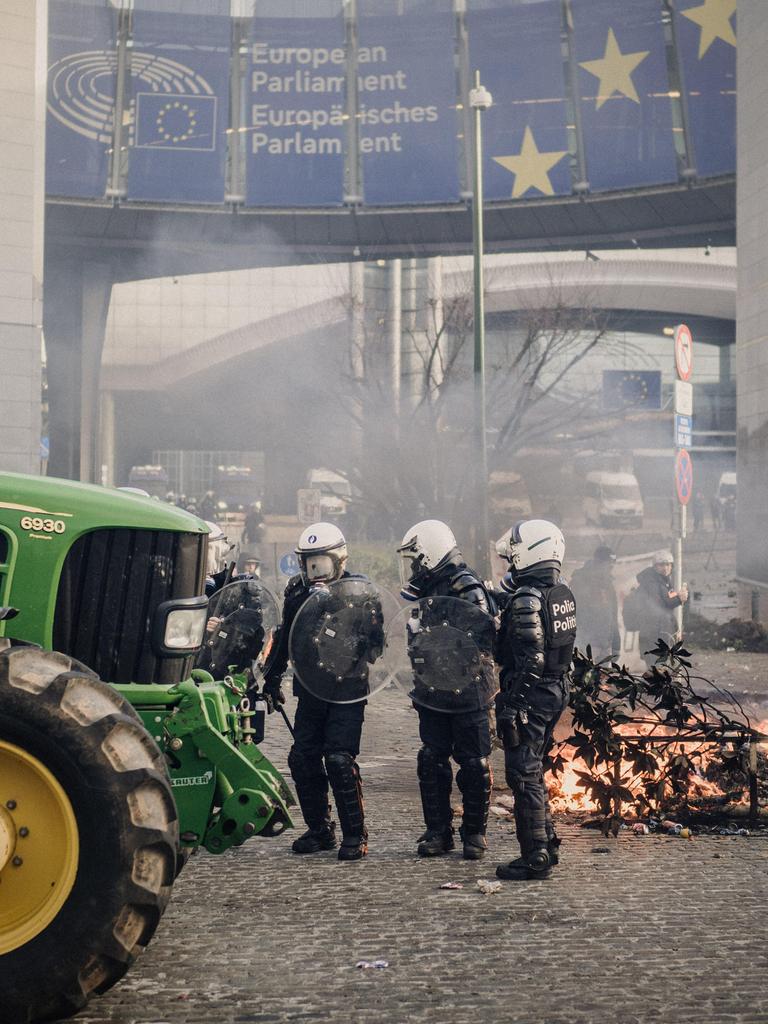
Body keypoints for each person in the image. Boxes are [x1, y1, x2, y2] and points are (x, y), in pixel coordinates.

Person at [261, 523, 381, 861]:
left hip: (347, 690)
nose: (314, 570)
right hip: (310, 689)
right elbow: (287, 638)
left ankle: (355, 834)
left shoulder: (361, 592)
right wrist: (272, 679)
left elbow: (376, 645)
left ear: (339, 559)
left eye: (321, 562)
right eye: (309, 562)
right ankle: (320, 829)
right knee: (302, 758)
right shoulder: (296, 592)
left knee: (340, 760)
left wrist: (351, 626)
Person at [396, 520, 496, 861]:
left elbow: (482, 638)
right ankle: (438, 831)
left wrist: (436, 636)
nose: (414, 567)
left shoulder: (466, 587)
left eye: (416, 560)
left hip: (467, 688)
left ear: (430, 554)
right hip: (434, 688)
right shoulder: (431, 589)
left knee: (473, 763)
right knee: (431, 759)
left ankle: (475, 834)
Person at [494, 520, 576, 881]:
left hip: (534, 692)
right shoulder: (560, 592)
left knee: (522, 772)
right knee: (533, 768)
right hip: (555, 689)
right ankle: (547, 842)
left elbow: (531, 659)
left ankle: (535, 856)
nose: (510, 563)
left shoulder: (527, 597)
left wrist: (512, 705)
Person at [634, 550, 688, 667]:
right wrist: (679, 599)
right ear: (655, 566)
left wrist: (678, 596)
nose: (665, 568)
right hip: (653, 632)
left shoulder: (664, 581)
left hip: (661, 630)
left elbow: (668, 598)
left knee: (661, 667)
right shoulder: (651, 582)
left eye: (668, 564)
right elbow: (660, 605)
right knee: (656, 666)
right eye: (661, 565)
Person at [569, 545, 619, 662]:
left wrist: (616, 643)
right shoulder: (580, 580)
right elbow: (575, 612)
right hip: (587, 643)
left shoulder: (608, 583)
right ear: (598, 562)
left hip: (605, 643)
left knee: (606, 679)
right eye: (608, 563)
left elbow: (612, 616)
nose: (610, 567)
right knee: (585, 678)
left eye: (612, 564)